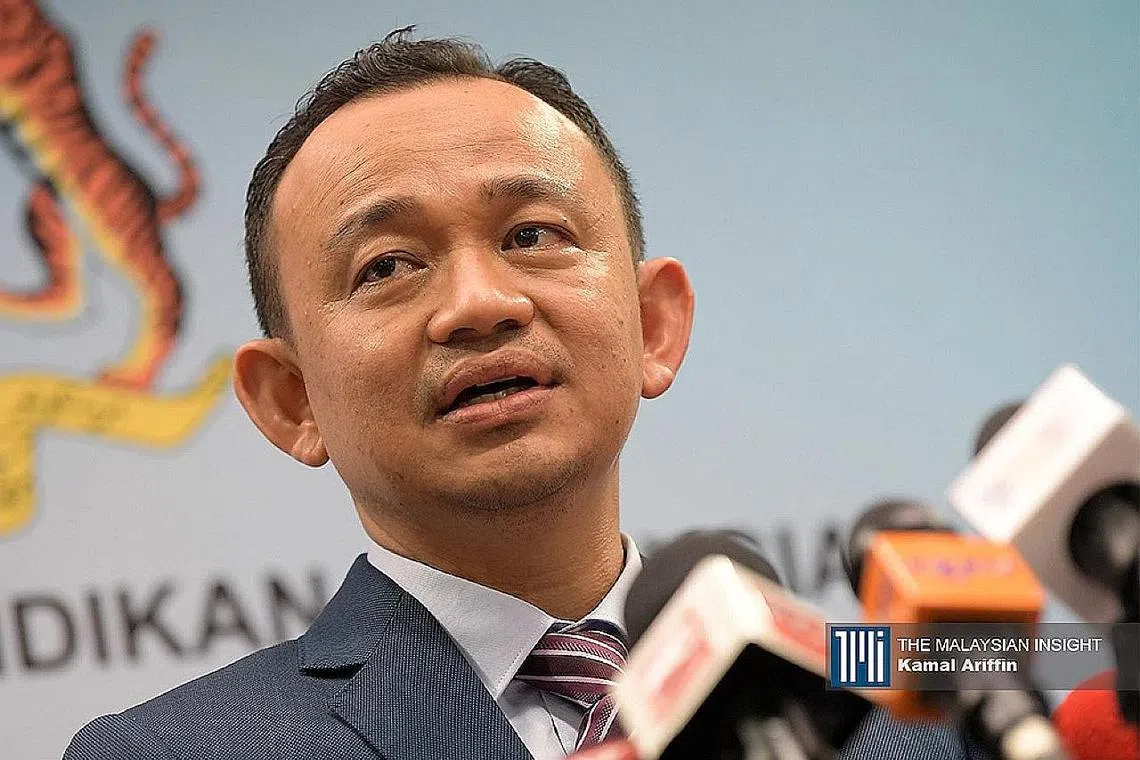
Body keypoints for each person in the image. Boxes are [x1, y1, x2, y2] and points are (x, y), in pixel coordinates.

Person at [64, 28, 984, 760]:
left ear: (653, 325)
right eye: (387, 266)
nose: (479, 303)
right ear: (291, 400)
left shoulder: (917, 708)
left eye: (532, 236)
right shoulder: (177, 751)